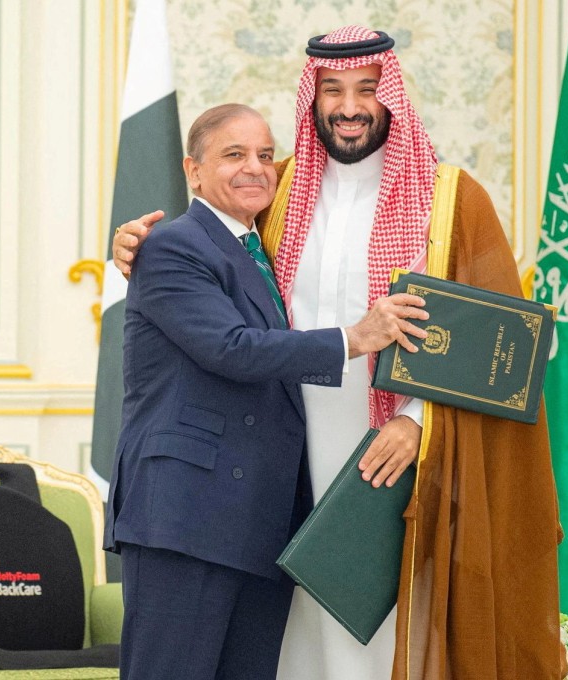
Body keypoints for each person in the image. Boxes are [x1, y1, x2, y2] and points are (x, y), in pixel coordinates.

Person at [114, 27, 566, 680]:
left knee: (381, 629)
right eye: (332, 90)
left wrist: (416, 422)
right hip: (273, 469)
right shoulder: (275, 192)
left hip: (387, 454)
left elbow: (496, 350)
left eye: (366, 89)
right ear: (312, 98)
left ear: (390, 97)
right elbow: (210, 270)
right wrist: (135, 244)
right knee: (286, 637)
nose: (349, 106)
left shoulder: (450, 200)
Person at [103, 103, 430, 680]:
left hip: (262, 522)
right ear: (193, 170)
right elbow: (233, 348)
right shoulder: (172, 246)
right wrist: (357, 337)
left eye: (263, 154)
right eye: (233, 155)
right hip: (187, 517)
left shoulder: (268, 247)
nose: (255, 168)